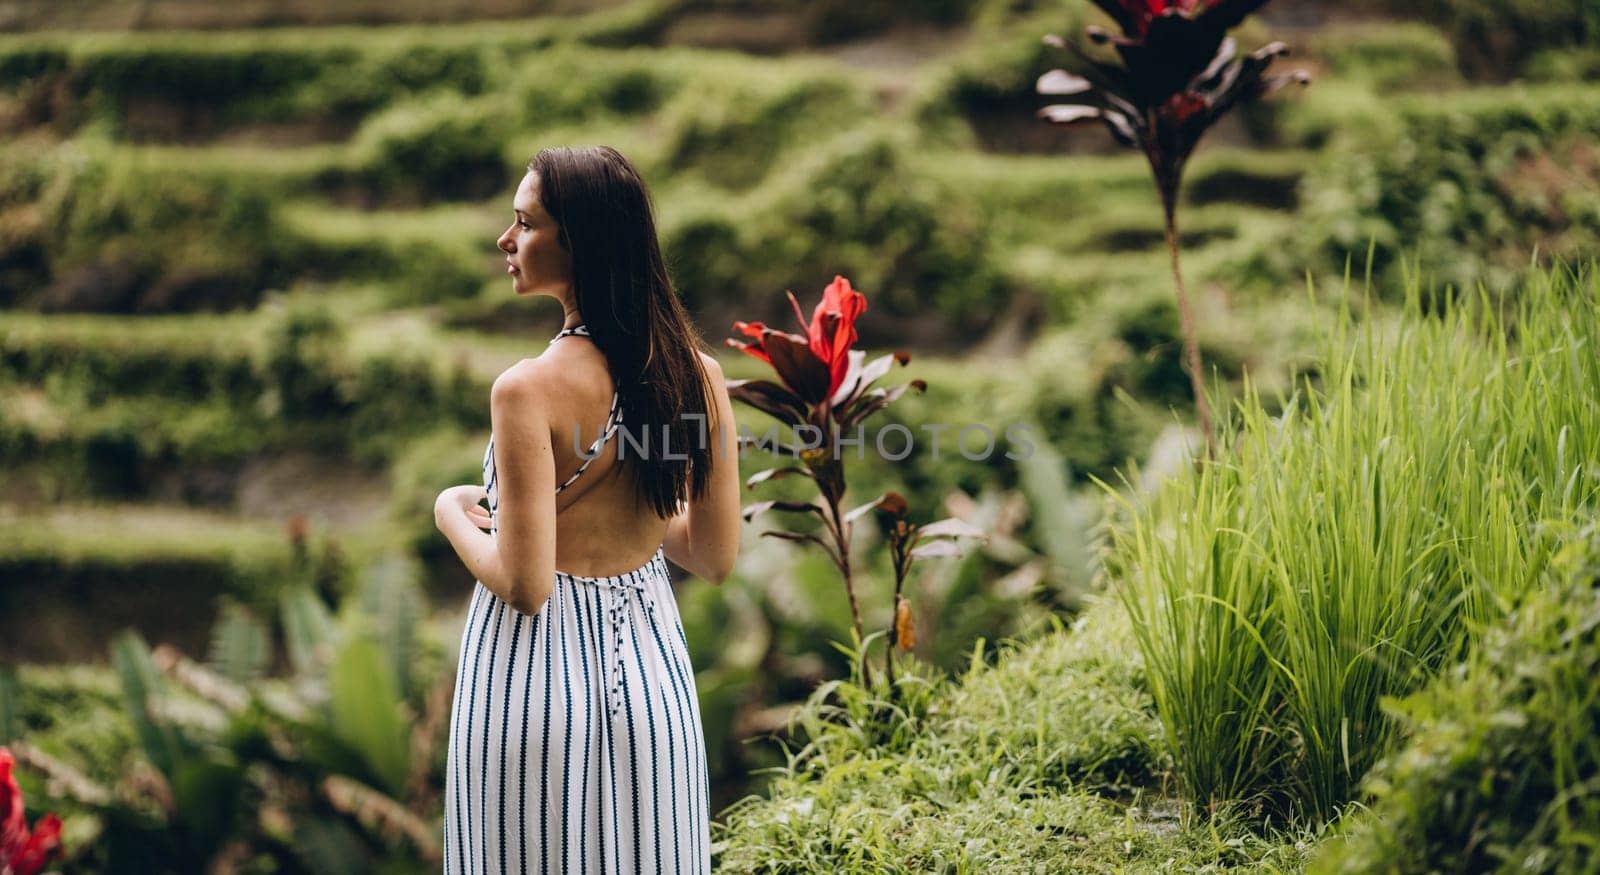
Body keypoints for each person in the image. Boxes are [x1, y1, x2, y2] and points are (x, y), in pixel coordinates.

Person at [432, 145, 740, 874]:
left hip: (530, 683)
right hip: (653, 682)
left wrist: (450, 511)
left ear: (579, 243)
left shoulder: (526, 390)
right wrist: (626, 518)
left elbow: (526, 583)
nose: (506, 241)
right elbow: (713, 554)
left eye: (525, 223)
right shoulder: (701, 376)